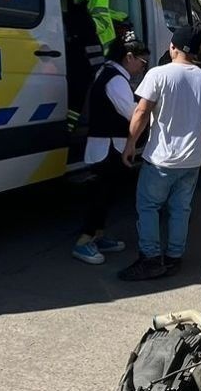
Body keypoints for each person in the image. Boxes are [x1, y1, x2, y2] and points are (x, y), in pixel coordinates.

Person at [118, 25, 201, 281]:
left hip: (161, 159)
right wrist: (198, 143)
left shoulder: (158, 74)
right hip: (191, 161)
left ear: (173, 47)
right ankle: (174, 258)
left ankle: (151, 259)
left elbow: (141, 112)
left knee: (149, 207)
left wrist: (130, 144)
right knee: (180, 210)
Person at [71, 35, 149, 265]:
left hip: (108, 146)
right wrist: (149, 111)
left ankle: (98, 235)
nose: (142, 69)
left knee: (108, 193)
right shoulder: (115, 80)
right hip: (106, 147)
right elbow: (132, 113)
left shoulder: (108, 73)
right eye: (142, 63)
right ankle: (83, 242)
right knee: (100, 195)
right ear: (129, 57)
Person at [55, 0, 118, 132]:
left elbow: (100, 25)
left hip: (97, 49)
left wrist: (78, 20)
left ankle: (70, 130)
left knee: (79, 86)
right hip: (73, 45)